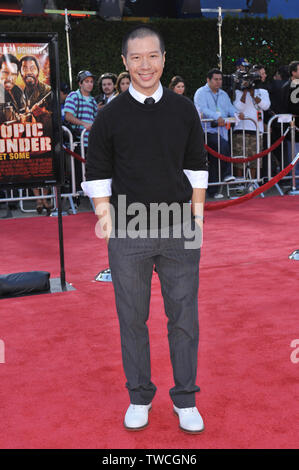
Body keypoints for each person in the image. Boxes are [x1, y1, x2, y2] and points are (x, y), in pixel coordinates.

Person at [82, 25, 208, 434]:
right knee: (132, 318)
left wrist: (197, 218)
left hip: (179, 227)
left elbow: (197, 167)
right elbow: (98, 172)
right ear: (124, 63)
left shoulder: (184, 109)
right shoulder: (110, 115)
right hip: (128, 230)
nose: (145, 65)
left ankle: (185, 399)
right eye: (135, 58)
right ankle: (139, 396)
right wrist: (106, 220)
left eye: (152, 56)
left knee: (184, 316)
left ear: (164, 58)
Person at [194, 68, 236, 199]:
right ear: (208, 80)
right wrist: (215, 117)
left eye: (220, 79)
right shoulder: (200, 92)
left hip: (222, 131)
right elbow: (202, 109)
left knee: (216, 159)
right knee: (222, 147)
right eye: (216, 79)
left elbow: (230, 108)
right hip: (207, 131)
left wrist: (237, 114)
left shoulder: (223, 94)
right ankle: (228, 173)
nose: (219, 82)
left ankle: (213, 190)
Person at [20, 55, 52, 214]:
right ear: (20, 72)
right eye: (25, 68)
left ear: (38, 71)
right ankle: (38, 200)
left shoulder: (47, 90)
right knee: (31, 170)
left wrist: (44, 113)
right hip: (27, 139)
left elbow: (53, 113)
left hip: (44, 137)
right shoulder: (20, 92)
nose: (28, 72)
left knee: (45, 169)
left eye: (32, 68)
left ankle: (45, 199)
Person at [233, 72, 271, 181]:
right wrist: (244, 94)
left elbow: (266, 106)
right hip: (241, 129)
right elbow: (237, 108)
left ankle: (252, 183)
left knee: (255, 161)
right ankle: (240, 183)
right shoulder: (238, 92)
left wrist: (254, 95)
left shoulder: (263, 92)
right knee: (240, 160)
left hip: (256, 130)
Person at [64, 70, 98, 190]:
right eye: (86, 81)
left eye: (91, 82)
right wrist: (84, 124)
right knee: (77, 171)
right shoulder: (73, 96)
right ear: (80, 83)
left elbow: (95, 119)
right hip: (77, 141)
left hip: (91, 142)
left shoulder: (93, 100)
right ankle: (76, 197)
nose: (90, 84)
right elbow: (68, 116)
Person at [281, 61, 299, 191]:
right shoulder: (291, 86)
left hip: (294, 128)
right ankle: (295, 184)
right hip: (294, 129)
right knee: (294, 158)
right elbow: (294, 107)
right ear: (293, 72)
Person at [0, 53, 26, 124]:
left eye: (13, 74)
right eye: (5, 72)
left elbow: (23, 111)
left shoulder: (18, 91)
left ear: (17, 75)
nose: (9, 78)